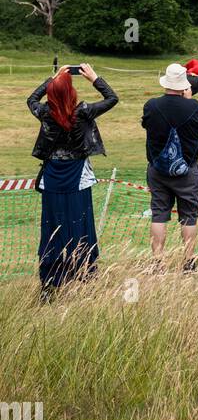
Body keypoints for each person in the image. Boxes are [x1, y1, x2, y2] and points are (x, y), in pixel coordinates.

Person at [27, 64, 118, 298]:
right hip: (78, 175)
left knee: (52, 228)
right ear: (72, 93)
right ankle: (84, 275)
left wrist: (52, 79)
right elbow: (112, 98)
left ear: (52, 93)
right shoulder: (84, 111)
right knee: (81, 224)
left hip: (52, 176)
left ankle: (51, 282)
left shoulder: (45, 112)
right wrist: (94, 78)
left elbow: (31, 99)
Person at [142, 64, 198, 272]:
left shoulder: (151, 105)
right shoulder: (195, 107)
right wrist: (189, 102)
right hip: (187, 169)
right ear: (184, 85)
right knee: (189, 216)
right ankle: (188, 262)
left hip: (158, 169)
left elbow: (145, 125)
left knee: (159, 214)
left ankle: (158, 262)